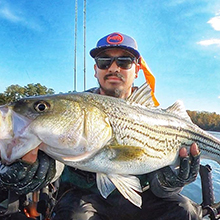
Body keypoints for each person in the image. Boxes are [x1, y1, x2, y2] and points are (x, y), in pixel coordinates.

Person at [0, 32, 202, 220]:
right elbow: (57, 162)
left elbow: (160, 189)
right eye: (104, 61)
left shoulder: (157, 115)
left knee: (187, 211)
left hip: (145, 197)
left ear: (137, 70)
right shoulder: (76, 105)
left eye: (124, 61)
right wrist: (34, 173)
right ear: (96, 70)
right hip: (85, 198)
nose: (114, 68)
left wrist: (171, 183)